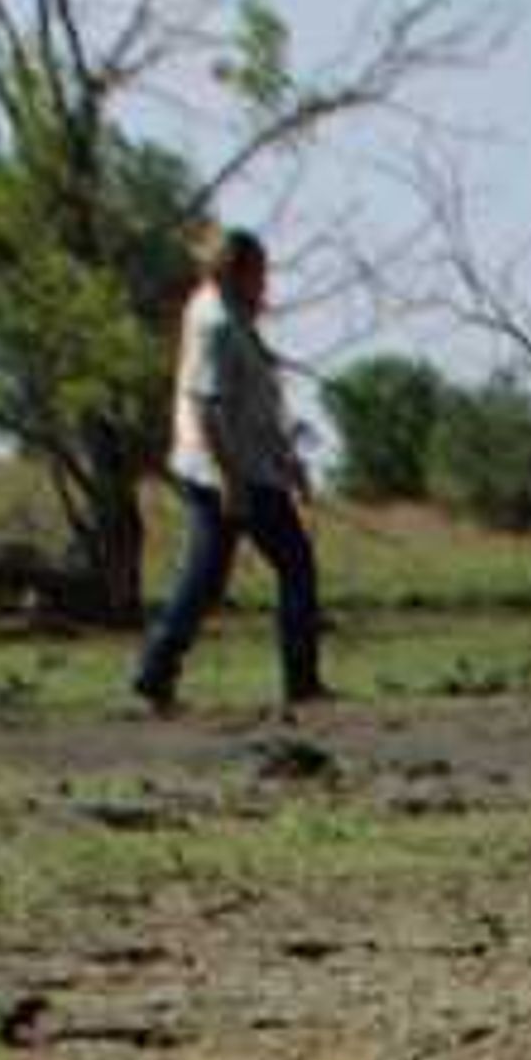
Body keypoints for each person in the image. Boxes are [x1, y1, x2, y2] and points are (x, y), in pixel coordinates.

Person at [131, 227, 328, 717]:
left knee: (209, 577)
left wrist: (287, 459)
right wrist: (230, 480)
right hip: (225, 469)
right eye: (260, 273)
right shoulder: (216, 321)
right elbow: (207, 405)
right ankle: (299, 682)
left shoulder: (230, 316)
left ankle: (156, 670)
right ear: (236, 270)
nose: (266, 284)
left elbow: (255, 403)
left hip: (249, 465)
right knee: (290, 565)